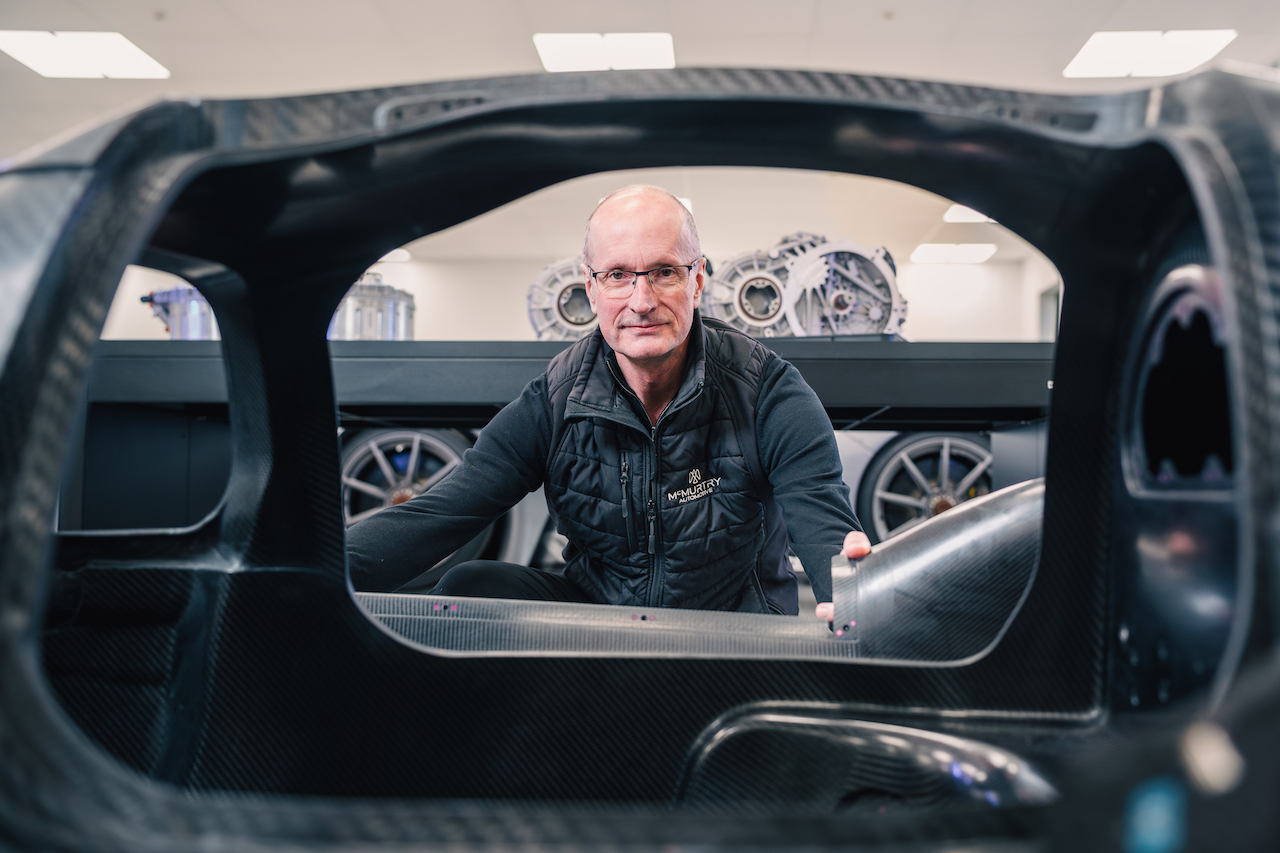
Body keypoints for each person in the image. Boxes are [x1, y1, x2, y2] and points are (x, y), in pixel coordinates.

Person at [347, 185, 870, 618]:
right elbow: (439, 515)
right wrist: (306, 574)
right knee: (471, 585)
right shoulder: (556, 399)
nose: (642, 302)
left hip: (731, 636)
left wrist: (850, 600)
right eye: (618, 275)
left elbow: (824, 526)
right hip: (601, 624)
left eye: (664, 272)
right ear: (591, 288)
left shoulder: (767, 391)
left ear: (698, 279)